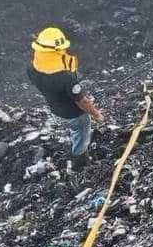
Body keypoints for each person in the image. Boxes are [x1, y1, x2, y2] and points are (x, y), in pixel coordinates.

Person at [26, 27, 104, 170]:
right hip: (74, 115)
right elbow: (82, 102)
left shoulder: (32, 69)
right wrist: (97, 115)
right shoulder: (65, 77)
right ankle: (80, 163)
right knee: (81, 134)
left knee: (74, 130)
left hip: (55, 111)